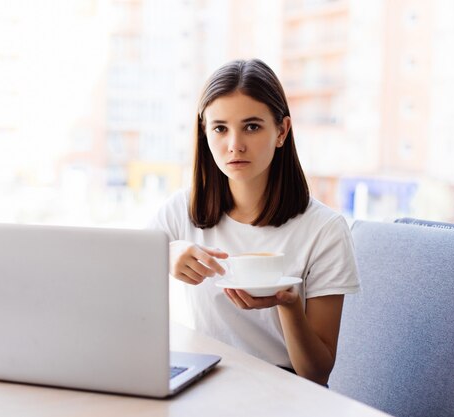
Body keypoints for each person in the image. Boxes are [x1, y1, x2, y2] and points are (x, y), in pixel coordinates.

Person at [147, 58, 359, 386]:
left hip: (285, 390)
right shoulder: (181, 210)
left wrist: (287, 304)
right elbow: (118, 277)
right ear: (204, 134)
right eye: (220, 128)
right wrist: (165, 255)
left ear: (281, 131)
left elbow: (316, 374)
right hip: (207, 382)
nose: (235, 145)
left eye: (252, 126)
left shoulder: (324, 230)